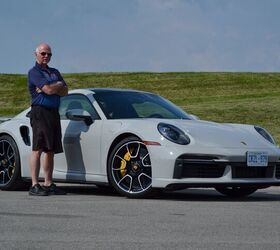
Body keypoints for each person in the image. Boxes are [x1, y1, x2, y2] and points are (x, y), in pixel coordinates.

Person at [27, 43, 68, 196]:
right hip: (40, 112)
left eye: (49, 54)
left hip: (53, 112)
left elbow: (65, 91)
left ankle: (48, 183)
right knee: (38, 148)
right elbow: (49, 90)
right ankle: (34, 184)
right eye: (43, 53)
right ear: (36, 54)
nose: (46, 56)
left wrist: (54, 86)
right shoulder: (34, 72)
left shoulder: (54, 71)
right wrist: (55, 86)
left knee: (50, 149)